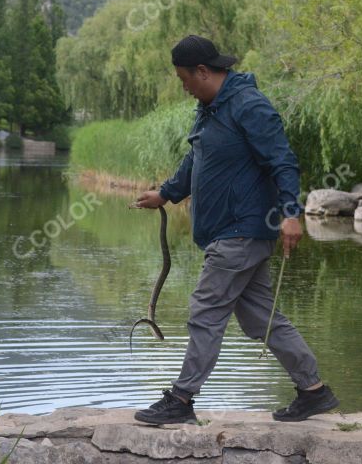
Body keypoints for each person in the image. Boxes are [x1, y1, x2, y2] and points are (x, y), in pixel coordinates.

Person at [133, 35, 339, 424]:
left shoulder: (249, 105)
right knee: (260, 319)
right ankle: (313, 391)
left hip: (240, 231)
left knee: (205, 311)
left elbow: (283, 161)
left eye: (184, 79)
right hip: (228, 233)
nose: (183, 87)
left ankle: (181, 399)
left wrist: (291, 214)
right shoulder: (209, 110)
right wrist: (165, 193)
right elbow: (196, 158)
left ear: (203, 72)